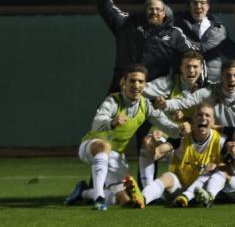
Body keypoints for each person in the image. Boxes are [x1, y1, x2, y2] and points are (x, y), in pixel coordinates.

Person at [65, 65, 185, 210]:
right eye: (132, 81)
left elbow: (166, 126)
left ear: (145, 85)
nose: (136, 85)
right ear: (124, 82)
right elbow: (96, 123)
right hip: (91, 147)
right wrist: (111, 122)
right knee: (105, 146)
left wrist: (180, 130)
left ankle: (83, 192)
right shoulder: (113, 101)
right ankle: (99, 198)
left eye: (141, 82)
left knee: (124, 200)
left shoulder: (146, 106)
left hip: (116, 157)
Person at [94, 0, 197, 92]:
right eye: (151, 9)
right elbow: (108, 10)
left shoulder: (174, 35)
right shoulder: (127, 24)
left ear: (164, 13)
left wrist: (195, 82)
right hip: (122, 86)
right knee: (105, 111)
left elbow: (193, 56)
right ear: (145, 11)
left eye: (158, 10)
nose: (154, 12)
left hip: (154, 91)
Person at [124, 104, 224, 208]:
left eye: (207, 115)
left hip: (203, 190)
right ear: (193, 119)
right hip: (179, 187)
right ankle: (143, 198)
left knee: (218, 172)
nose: (203, 118)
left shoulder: (220, 141)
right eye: (199, 115)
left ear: (213, 121)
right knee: (166, 176)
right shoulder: (182, 136)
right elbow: (156, 154)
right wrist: (153, 142)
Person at [139, 50, 207, 188]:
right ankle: (147, 190)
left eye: (195, 67)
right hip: (167, 130)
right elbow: (143, 89)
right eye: (187, 66)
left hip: (193, 135)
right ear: (181, 68)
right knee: (147, 144)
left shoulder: (208, 88)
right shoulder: (169, 82)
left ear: (201, 68)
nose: (191, 70)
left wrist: (186, 117)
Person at [155, 60, 235, 130]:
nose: (232, 79)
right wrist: (165, 103)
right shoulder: (208, 91)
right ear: (221, 77)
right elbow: (185, 101)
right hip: (215, 139)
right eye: (227, 75)